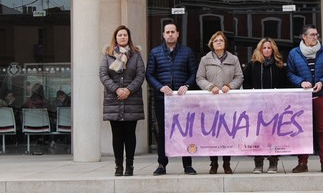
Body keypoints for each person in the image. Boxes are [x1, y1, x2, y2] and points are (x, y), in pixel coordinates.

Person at [146, 23, 198, 176]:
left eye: (172, 32)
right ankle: (162, 164)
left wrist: (187, 85)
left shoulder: (187, 52)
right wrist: (160, 87)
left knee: (185, 131)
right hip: (163, 99)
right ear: (163, 35)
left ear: (177, 34)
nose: (170, 34)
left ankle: (187, 165)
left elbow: (194, 73)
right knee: (162, 132)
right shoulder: (155, 52)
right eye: (167, 32)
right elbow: (149, 75)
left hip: (182, 100)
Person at [286, 24, 323, 173]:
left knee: (322, 130)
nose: (315, 37)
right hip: (302, 98)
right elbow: (289, 73)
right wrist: (300, 82)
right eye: (312, 35)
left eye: (316, 34)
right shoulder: (294, 53)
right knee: (302, 130)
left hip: (322, 95)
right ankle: (302, 162)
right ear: (304, 37)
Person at [99, 25, 146, 176]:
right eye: (120, 35)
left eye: (125, 35)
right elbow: (103, 75)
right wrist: (117, 89)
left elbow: (140, 75)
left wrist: (128, 90)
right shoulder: (108, 55)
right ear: (115, 38)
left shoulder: (136, 55)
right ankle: (118, 166)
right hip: (114, 99)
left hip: (132, 99)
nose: (123, 37)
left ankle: (130, 166)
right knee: (117, 136)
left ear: (128, 37)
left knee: (130, 135)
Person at [196, 31, 244, 174]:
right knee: (213, 133)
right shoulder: (205, 60)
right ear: (211, 43)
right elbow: (199, 78)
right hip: (211, 101)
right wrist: (210, 86)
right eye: (215, 40)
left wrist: (230, 86)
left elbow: (239, 77)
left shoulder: (233, 59)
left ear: (225, 43)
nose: (218, 42)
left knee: (227, 133)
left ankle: (227, 163)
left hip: (228, 101)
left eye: (221, 40)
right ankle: (214, 163)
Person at [242, 37, 289, 174]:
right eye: (264, 48)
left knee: (273, 134)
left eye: (269, 48)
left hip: (274, 107)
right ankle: (258, 163)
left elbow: (284, 85)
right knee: (258, 134)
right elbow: (246, 83)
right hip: (256, 106)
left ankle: (273, 162)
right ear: (260, 50)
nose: (267, 50)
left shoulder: (279, 65)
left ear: (273, 49)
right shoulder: (253, 65)